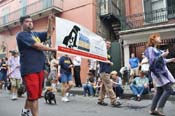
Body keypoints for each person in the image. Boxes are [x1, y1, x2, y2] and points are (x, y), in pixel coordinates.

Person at [16, 15, 56, 116]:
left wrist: (50, 21)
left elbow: (48, 34)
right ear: (22, 24)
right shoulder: (21, 35)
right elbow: (37, 46)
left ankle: (25, 111)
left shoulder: (35, 34)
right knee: (34, 97)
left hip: (39, 68)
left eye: (31, 21)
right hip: (30, 70)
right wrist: (53, 49)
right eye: (27, 21)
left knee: (34, 95)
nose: (30, 23)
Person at [144, 33, 175, 116]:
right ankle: (159, 109)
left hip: (161, 72)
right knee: (169, 90)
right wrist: (162, 55)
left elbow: (162, 61)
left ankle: (152, 110)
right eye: (158, 37)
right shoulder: (150, 49)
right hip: (158, 73)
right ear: (153, 40)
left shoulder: (157, 50)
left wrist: (170, 60)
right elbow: (152, 61)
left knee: (159, 92)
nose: (160, 38)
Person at [97, 40, 121, 107]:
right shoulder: (101, 51)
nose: (108, 45)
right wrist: (109, 62)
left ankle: (100, 100)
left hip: (106, 71)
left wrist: (109, 63)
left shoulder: (107, 53)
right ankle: (114, 101)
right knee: (109, 86)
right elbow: (101, 59)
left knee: (104, 87)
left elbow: (106, 60)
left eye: (109, 44)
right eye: (107, 43)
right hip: (104, 71)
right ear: (104, 44)